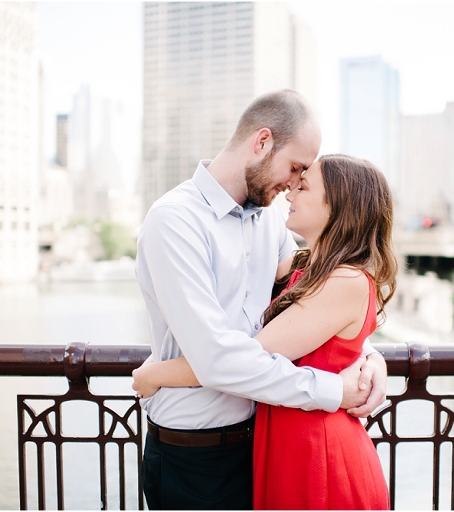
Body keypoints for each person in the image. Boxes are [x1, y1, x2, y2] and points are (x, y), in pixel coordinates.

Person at [131, 90, 388, 510]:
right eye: (295, 168)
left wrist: (368, 356)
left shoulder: (268, 218)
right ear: (262, 141)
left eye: (303, 177)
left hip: (264, 443)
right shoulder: (175, 221)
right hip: (197, 458)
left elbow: (317, 299)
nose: (292, 185)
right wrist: (333, 390)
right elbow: (218, 360)